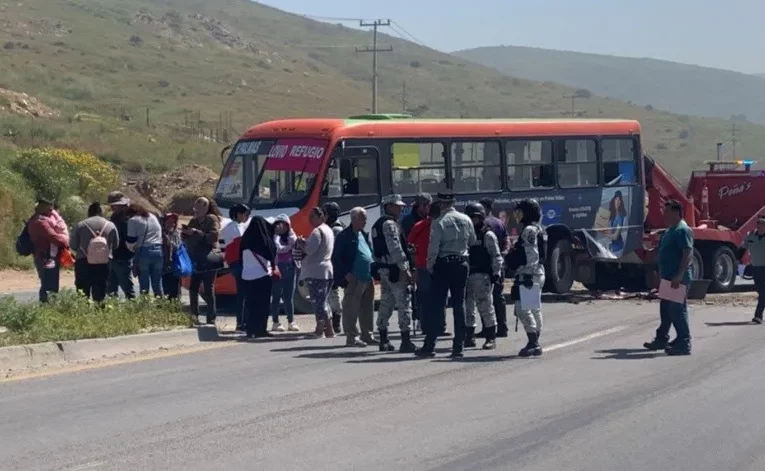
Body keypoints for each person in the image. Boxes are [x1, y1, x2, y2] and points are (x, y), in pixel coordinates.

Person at [416, 192, 476, 359]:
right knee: (459, 305)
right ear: (454, 202)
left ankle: (430, 345)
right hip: (462, 263)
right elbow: (472, 240)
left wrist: (429, 267)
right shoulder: (466, 219)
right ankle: (459, 346)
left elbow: (434, 248)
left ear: (441, 204)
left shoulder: (438, 222)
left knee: (437, 305)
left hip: (443, 264)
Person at [643, 199, 694, 356]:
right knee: (666, 310)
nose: (663, 214)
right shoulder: (670, 229)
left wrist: (679, 275)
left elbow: (687, 253)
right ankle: (662, 338)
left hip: (676, 278)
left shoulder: (682, 230)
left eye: (667, 211)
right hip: (667, 277)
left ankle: (684, 342)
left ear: (676, 212)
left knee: (677, 310)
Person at [372, 194, 417, 353]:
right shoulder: (390, 224)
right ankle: (405, 340)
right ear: (389, 206)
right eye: (397, 206)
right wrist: (405, 269)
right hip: (395, 269)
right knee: (404, 303)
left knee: (386, 302)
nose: (400, 208)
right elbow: (395, 248)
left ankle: (383, 338)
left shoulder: (377, 224)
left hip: (384, 269)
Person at [506, 199, 547, 357]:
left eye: (521, 212)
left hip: (529, 274)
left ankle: (533, 342)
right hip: (535, 273)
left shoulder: (529, 230)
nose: (518, 215)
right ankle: (534, 341)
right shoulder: (538, 228)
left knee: (523, 309)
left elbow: (530, 255)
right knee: (534, 308)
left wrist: (514, 259)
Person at [333, 207, 377, 347]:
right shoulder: (344, 236)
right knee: (351, 309)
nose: (365, 221)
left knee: (367, 308)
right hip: (354, 278)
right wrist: (346, 274)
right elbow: (336, 258)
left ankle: (367, 334)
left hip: (367, 277)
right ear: (354, 219)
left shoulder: (362, 234)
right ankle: (352, 337)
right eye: (363, 218)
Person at [463, 203, 503, 350]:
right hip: (466, 275)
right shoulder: (464, 234)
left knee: (485, 306)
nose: (473, 220)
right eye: (470, 217)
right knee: (467, 308)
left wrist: (496, 273)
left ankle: (490, 337)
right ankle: (469, 336)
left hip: (482, 275)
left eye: (475, 217)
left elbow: (496, 256)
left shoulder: (487, 234)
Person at [407, 202, 450, 337]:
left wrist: (413, 262)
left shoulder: (420, 225)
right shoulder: (441, 225)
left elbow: (410, 245)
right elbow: (410, 245)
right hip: (435, 265)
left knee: (428, 297)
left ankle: (430, 327)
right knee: (438, 296)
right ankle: (437, 326)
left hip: (426, 265)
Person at [183, 197, 222, 325]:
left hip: (209, 257)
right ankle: (194, 316)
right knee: (193, 288)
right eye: (197, 207)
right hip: (196, 257)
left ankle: (211, 318)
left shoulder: (211, 219)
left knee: (208, 288)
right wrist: (186, 233)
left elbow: (213, 236)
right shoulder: (193, 221)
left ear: (207, 207)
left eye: (201, 207)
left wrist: (197, 232)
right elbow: (187, 238)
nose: (198, 210)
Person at [297, 207, 335, 338]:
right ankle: (329, 329)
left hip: (316, 271)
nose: (310, 220)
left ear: (320, 216)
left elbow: (310, 250)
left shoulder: (317, 232)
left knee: (318, 302)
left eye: (312, 217)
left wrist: (301, 243)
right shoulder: (328, 230)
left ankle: (320, 330)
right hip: (327, 269)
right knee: (323, 301)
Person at [70, 202, 118, 302]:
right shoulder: (111, 225)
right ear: (101, 212)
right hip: (104, 262)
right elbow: (116, 244)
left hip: (83, 261)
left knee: (82, 289)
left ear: (89, 212)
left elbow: (73, 245)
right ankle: (99, 310)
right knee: (101, 287)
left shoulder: (80, 225)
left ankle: (84, 311)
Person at [240, 215, 277, 339]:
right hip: (262, 275)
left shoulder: (245, 239)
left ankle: (250, 330)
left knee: (251, 304)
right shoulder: (264, 240)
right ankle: (261, 329)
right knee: (263, 304)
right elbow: (272, 252)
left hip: (246, 276)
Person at [27, 198, 70, 302]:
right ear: (42, 207)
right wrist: (65, 241)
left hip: (43, 255)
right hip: (45, 256)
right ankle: (48, 307)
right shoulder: (40, 222)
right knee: (49, 284)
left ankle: (47, 305)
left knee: (46, 282)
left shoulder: (36, 219)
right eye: (49, 207)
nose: (51, 210)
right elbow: (53, 237)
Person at [479, 197, 510, 338]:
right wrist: (502, 255)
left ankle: (488, 328)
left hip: (485, 266)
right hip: (499, 264)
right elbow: (507, 241)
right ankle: (502, 328)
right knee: (498, 296)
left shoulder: (483, 223)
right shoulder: (500, 223)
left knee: (485, 298)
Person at [222, 204, 250, 331]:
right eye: (245, 215)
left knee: (243, 293)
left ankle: (243, 320)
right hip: (238, 262)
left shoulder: (236, 227)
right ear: (239, 214)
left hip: (238, 262)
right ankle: (241, 321)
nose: (247, 217)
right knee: (243, 293)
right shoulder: (234, 228)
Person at [126, 203, 164, 296]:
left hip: (144, 252)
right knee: (157, 283)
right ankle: (161, 307)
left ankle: (145, 306)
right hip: (158, 251)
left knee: (144, 284)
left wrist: (131, 248)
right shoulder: (153, 217)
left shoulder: (133, 220)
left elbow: (131, 240)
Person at [270, 214, 300, 332]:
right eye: (278, 224)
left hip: (290, 268)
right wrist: (276, 234)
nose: (280, 226)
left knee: (289, 297)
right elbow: (278, 248)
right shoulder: (274, 237)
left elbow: (294, 243)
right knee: (276, 295)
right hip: (278, 268)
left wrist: (290, 233)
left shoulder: (292, 236)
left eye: (283, 224)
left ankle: (291, 321)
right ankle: (275, 322)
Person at [106, 191, 136, 299]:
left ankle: (133, 307)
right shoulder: (116, 216)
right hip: (114, 255)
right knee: (111, 286)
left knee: (126, 285)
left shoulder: (126, 219)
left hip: (122, 256)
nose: (112, 207)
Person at [323, 201, 345, 334]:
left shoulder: (336, 229)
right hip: (331, 265)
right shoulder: (331, 227)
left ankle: (336, 322)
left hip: (334, 266)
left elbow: (334, 251)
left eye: (325, 213)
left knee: (333, 294)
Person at [740, 215, 765, 324]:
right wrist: (737, 259)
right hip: (756, 268)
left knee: (763, 293)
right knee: (761, 292)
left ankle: (758, 316)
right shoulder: (750, 236)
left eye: (763, 223)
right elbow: (743, 248)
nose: (760, 226)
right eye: (759, 223)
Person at [161, 213, 182, 300]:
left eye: (173, 222)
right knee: (166, 290)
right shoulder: (160, 234)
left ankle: (175, 309)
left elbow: (177, 247)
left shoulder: (176, 234)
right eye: (169, 221)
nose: (171, 224)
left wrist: (168, 241)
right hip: (163, 267)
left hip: (174, 267)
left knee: (175, 290)